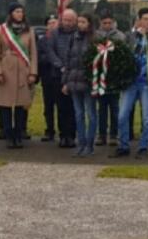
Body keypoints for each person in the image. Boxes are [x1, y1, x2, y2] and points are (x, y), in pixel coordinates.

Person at [111, 8, 148, 159]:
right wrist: (139, 38)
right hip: (130, 83)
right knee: (122, 115)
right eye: (146, 19)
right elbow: (123, 56)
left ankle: (143, 147)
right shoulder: (130, 36)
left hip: (147, 84)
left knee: (147, 118)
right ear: (139, 20)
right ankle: (123, 145)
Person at [0, 3, 39, 149]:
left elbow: (33, 53)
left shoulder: (29, 30)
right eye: (17, 11)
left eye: (22, 11)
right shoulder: (1, 29)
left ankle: (18, 135)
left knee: (21, 105)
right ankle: (8, 135)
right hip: (6, 69)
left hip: (23, 70)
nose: (20, 14)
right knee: (5, 105)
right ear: (11, 13)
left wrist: (33, 72)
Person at [62, 12, 96, 157]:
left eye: (83, 22)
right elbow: (67, 61)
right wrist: (65, 82)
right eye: (79, 22)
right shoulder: (73, 38)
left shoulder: (95, 39)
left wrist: (95, 82)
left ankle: (90, 144)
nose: (80, 24)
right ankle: (81, 143)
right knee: (78, 114)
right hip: (74, 82)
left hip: (88, 82)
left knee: (91, 114)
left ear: (89, 23)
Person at [44, 9, 79, 149]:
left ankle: (71, 135)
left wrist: (70, 67)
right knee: (61, 107)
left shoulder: (78, 34)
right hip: (57, 75)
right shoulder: (54, 33)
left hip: (74, 75)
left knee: (73, 107)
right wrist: (60, 65)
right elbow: (50, 51)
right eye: (65, 20)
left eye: (71, 20)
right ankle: (63, 135)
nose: (68, 23)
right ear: (61, 20)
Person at [93, 12, 127, 146]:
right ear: (101, 23)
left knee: (114, 107)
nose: (107, 25)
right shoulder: (96, 36)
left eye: (109, 23)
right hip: (100, 76)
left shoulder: (120, 36)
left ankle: (113, 134)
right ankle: (101, 135)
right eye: (104, 23)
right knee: (101, 108)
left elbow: (123, 55)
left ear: (113, 22)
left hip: (114, 78)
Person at [36, 13, 60, 142]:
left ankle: (64, 130)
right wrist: (52, 58)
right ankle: (49, 129)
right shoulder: (42, 41)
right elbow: (39, 58)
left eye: (55, 22)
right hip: (47, 77)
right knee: (48, 106)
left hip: (60, 77)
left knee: (62, 106)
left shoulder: (62, 38)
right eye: (50, 23)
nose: (52, 25)